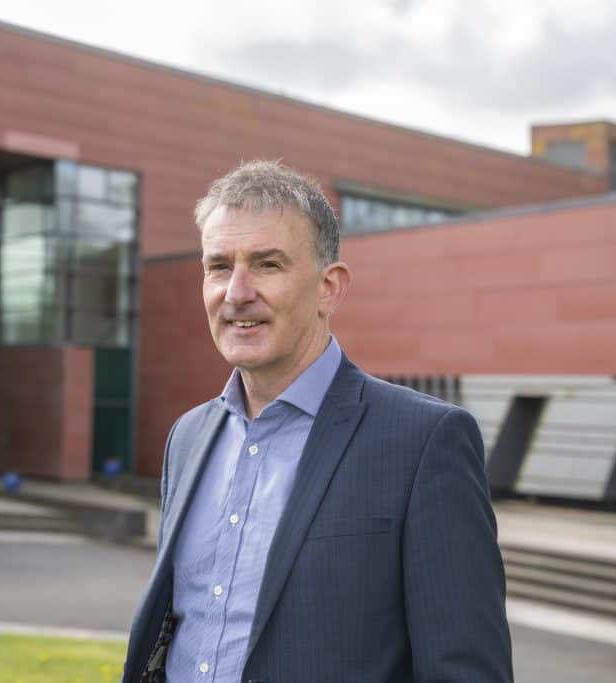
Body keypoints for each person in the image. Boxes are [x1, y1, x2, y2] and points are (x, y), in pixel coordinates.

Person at [123, 161, 512, 682]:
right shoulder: (188, 438)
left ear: (329, 288)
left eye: (266, 265)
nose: (236, 292)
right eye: (218, 266)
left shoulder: (423, 443)